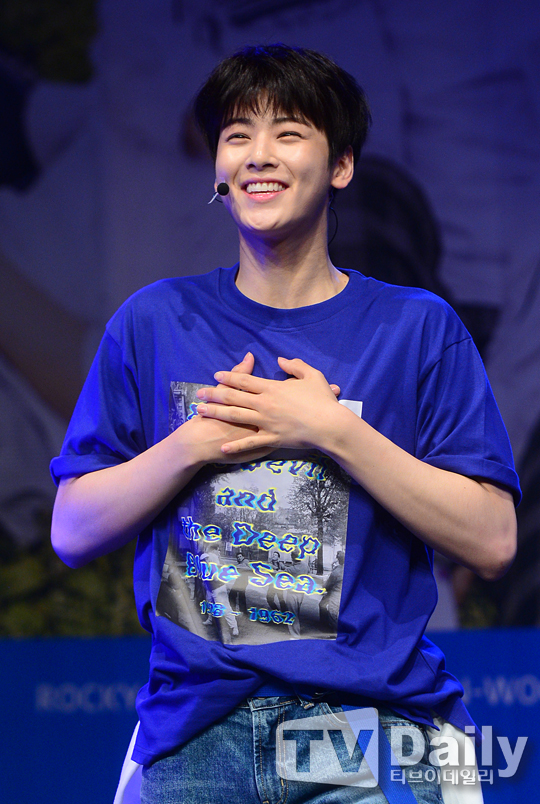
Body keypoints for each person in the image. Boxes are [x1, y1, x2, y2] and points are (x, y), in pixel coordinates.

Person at [50, 44, 520, 803]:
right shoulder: (155, 320)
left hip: (371, 721)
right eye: (237, 134)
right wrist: (193, 444)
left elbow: (493, 541)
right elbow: (72, 531)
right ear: (217, 167)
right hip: (198, 734)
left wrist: (335, 432)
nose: (258, 154)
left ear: (341, 166)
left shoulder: (415, 328)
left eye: (289, 132)